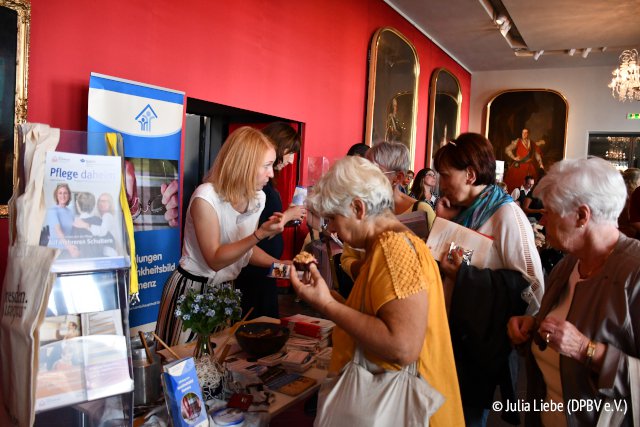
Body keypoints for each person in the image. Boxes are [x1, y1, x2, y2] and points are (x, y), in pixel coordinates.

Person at [290, 156, 464, 426]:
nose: (332, 229)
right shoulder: (386, 245)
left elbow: (402, 346)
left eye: (333, 218)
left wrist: (327, 305)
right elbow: (375, 316)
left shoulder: (393, 249)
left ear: (358, 208)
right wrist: (329, 297)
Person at [507, 157, 640, 426]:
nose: (543, 220)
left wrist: (586, 350)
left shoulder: (634, 273)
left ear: (582, 215)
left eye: (550, 211)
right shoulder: (568, 265)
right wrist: (533, 329)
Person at [434, 133, 544, 426]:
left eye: (445, 176)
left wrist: (466, 276)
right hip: (447, 338)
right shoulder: (463, 211)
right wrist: (442, 222)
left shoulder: (505, 214)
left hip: (476, 345)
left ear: (469, 175)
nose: (440, 184)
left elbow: (532, 285)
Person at [154, 126, 287, 346]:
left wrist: (284, 268)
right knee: (182, 365)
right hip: (192, 291)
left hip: (226, 291)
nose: (271, 173)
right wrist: (260, 233)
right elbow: (215, 259)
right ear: (244, 164)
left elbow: (244, 250)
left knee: (217, 364)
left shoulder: (257, 198)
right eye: (266, 166)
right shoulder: (206, 197)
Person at [235, 122, 306, 319]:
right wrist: (281, 266)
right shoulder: (253, 193)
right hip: (255, 272)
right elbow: (247, 242)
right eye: (290, 152)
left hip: (265, 270)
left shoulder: (263, 191)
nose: (291, 160)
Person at [340, 141, 436, 281]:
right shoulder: (361, 208)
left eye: (373, 171)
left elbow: (434, 261)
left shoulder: (421, 209)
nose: (364, 176)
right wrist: (370, 266)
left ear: (398, 177)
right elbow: (347, 258)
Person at [41, 183, 79, 257]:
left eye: (65, 193)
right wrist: (69, 247)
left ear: (69, 195)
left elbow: (73, 230)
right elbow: (58, 230)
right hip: (55, 250)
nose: (63, 196)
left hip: (68, 249)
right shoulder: (52, 211)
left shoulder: (70, 211)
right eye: (60, 193)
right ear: (56, 195)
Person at [504, 129, 545, 193]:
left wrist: (540, 164)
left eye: (526, 133)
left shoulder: (532, 143)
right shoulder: (518, 141)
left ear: (528, 134)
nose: (524, 134)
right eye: (523, 132)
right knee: (516, 184)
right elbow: (507, 149)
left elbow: (537, 154)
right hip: (519, 166)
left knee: (531, 186)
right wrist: (514, 157)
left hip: (529, 166)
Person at [618, 168, 640, 238]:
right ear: (635, 181)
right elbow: (631, 220)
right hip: (628, 234)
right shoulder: (633, 195)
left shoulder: (620, 193)